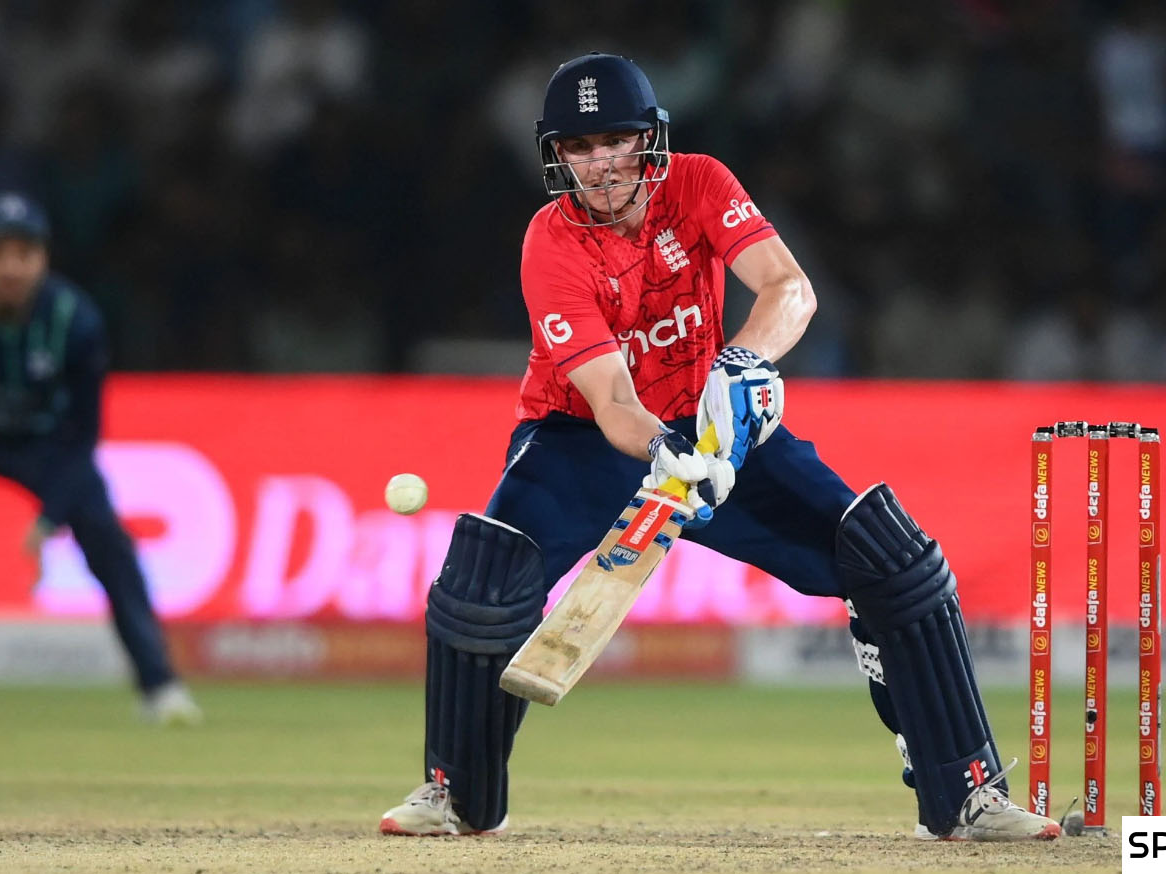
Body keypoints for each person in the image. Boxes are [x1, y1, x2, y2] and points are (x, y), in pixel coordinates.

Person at [379, 53, 1058, 841]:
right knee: (482, 584)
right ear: (556, 156)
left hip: (716, 419)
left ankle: (968, 795)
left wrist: (742, 367)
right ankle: (455, 796)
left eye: (616, 142)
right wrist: (670, 455)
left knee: (893, 565)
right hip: (582, 438)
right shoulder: (551, 241)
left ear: (651, 141)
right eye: (579, 147)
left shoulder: (699, 182)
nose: (600, 164)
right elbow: (610, 399)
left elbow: (789, 289)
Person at [0, 192, 202, 727]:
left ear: (43, 259)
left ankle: (160, 685)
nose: (10, 267)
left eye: (24, 253)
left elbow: (82, 437)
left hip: (44, 447)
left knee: (109, 542)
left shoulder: (76, 322)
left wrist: (50, 517)